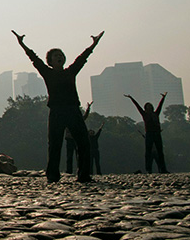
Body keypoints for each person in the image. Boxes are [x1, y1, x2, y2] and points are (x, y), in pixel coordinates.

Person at [12, 30, 103, 184]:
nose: (59, 57)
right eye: (56, 56)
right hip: (57, 111)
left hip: (73, 110)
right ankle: (53, 176)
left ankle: (84, 175)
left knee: (84, 143)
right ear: (50, 61)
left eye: (61, 55)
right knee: (55, 144)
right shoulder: (47, 73)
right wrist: (22, 44)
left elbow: (82, 58)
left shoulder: (71, 71)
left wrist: (93, 44)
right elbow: (34, 59)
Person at [125, 92, 169, 173]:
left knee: (160, 152)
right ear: (146, 108)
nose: (149, 108)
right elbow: (138, 106)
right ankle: (148, 169)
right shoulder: (144, 114)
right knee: (148, 152)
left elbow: (160, 106)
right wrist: (131, 98)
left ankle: (163, 169)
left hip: (156, 133)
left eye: (150, 106)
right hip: (149, 133)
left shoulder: (156, 113)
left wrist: (163, 98)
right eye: (148, 107)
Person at [64, 101, 92, 174]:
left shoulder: (69, 118)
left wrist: (88, 109)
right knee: (72, 155)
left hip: (72, 139)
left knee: (73, 155)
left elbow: (84, 117)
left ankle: (71, 170)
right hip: (71, 138)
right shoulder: (72, 119)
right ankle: (72, 170)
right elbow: (84, 117)